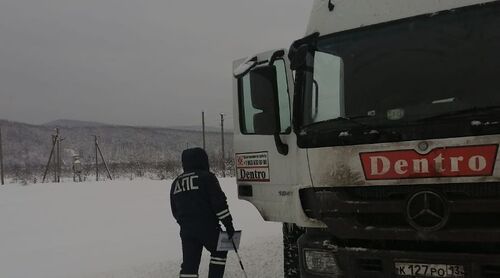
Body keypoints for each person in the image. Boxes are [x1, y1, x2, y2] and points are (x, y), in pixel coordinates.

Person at [170, 148, 235, 278]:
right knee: (220, 251)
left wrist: (185, 223)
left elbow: (174, 209)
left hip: (187, 230)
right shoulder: (207, 177)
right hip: (208, 227)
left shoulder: (176, 182)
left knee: (190, 265)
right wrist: (228, 224)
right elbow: (219, 203)